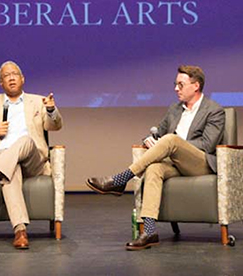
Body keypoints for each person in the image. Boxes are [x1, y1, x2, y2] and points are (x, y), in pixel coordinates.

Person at [86, 64, 225, 250]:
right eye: (175, 84)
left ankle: (121, 179)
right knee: (153, 168)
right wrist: (149, 139)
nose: (176, 89)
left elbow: (208, 145)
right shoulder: (175, 109)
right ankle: (150, 231)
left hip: (200, 164)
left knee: (171, 140)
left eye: (181, 84)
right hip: (174, 163)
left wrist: (173, 144)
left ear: (196, 85)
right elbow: (158, 134)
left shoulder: (214, 110)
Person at [0, 60, 63, 250]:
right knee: (10, 169)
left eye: (14, 74)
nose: (11, 78)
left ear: (22, 79)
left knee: (25, 140)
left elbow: (55, 126)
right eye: (6, 76)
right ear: (1, 83)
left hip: (32, 160)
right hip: (0, 157)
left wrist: (50, 110)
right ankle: (20, 231)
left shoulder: (38, 101)